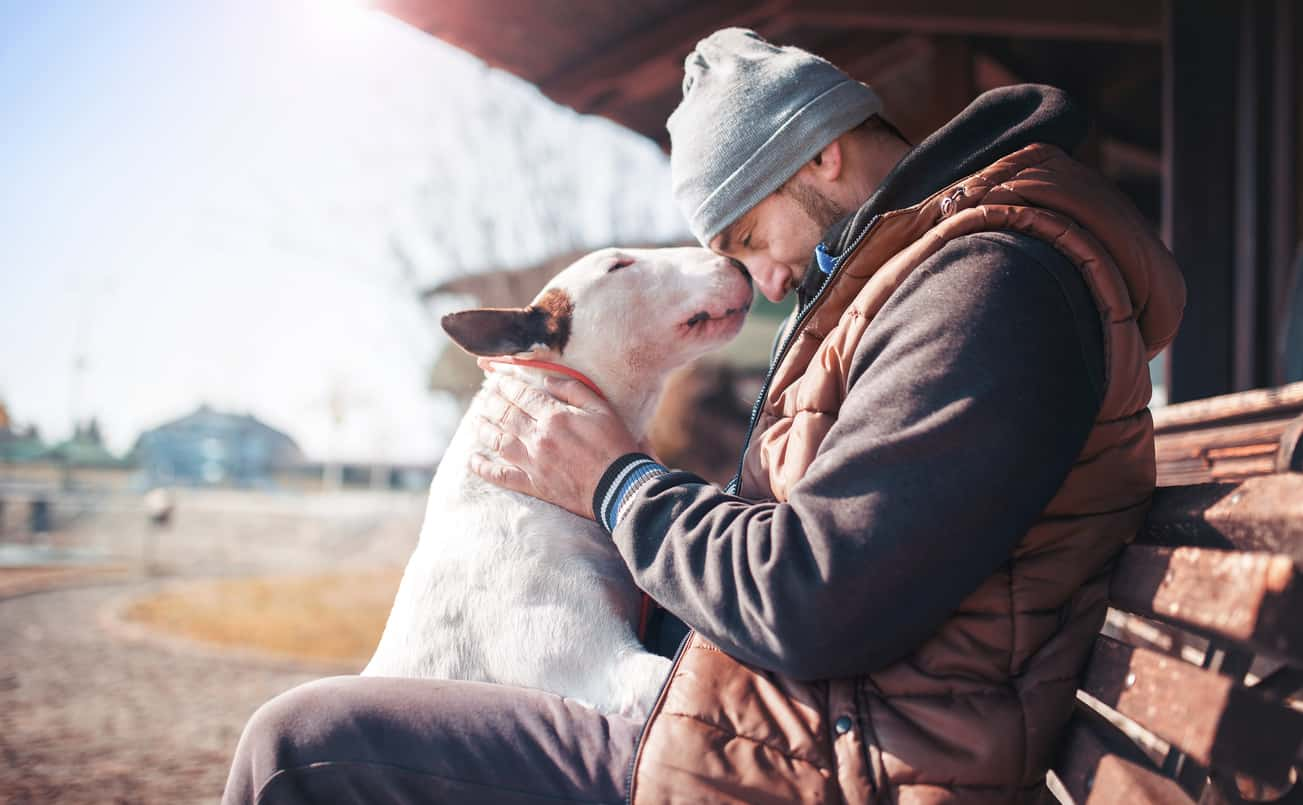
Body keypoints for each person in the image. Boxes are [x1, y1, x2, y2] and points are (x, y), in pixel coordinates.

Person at [223, 29, 1185, 804]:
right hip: (793, 719)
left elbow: (811, 597)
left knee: (300, 746)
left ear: (823, 152)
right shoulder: (927, 281)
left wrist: (614, 481)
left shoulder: (987, 288)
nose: (761, 278)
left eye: (748, 235)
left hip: (832, 762)